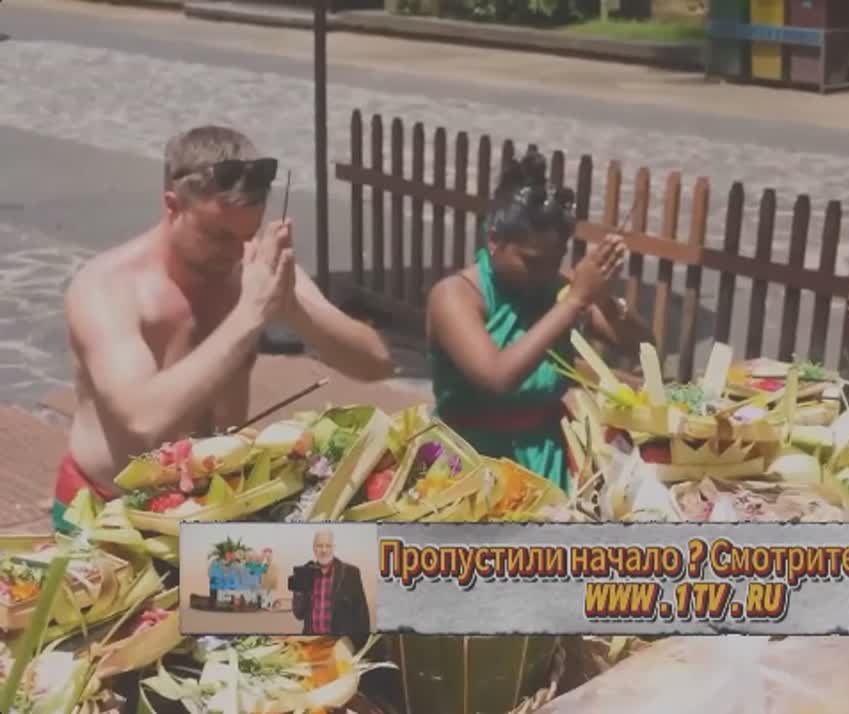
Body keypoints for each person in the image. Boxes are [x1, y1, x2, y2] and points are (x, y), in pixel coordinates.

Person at [55, 125, 396, 534]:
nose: (236, 251)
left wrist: (296, 310)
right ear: (172, 206)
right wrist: (250, 314)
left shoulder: (251, 266)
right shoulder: (108, 288)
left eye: (247, 234)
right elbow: (143, 421)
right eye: (217, 235)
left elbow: (376, 363)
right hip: (109, 512)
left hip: (216, 506)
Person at [426, 147, 650, 493]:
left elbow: (643, 347)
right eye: (531, 261)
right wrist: (574, 302)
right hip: (469, 466)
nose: (544, 272)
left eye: (554, 261)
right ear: (494, 239)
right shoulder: (455, 296)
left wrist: (603, 297)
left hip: (547, 463)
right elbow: (498, 377)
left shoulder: (555, 290)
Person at [290, 528, 370, 636]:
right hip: (312, 640)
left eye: (328, 546)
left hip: (339, 641)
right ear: (314, 548)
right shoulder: (304, 573)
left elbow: (362, 615)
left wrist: (360, 642)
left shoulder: (351, 573)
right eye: (319, 546)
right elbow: (298, 614)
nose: (324, 550)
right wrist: (298, 589)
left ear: (333, 548)